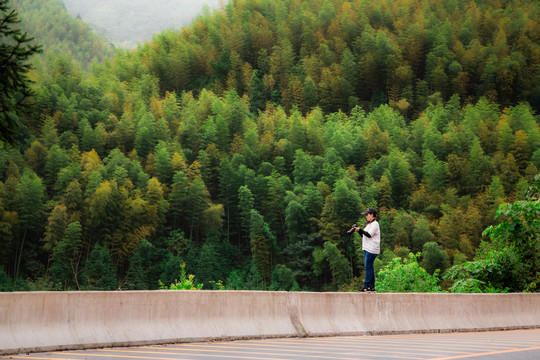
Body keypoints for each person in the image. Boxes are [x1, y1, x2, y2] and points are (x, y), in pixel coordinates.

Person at [354, 207, 380, 292]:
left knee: (368, 267)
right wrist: (358, 231)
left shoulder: (375, 224)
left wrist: (360, 230)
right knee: (370, 267)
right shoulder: (369, 224)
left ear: (372, 215)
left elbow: (369, 235)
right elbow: (364, 235)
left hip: (371, 249)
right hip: (367, 248)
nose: (366, 216)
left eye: (367, 214)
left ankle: (367, 286)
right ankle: (371, 286)